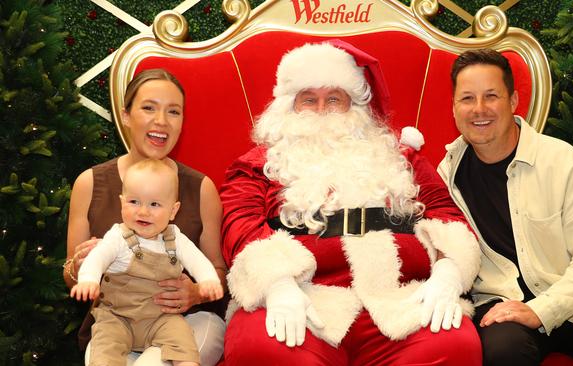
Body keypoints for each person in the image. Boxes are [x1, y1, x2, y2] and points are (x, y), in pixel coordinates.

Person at [220, 40, 482, 365]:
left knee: (455, 344)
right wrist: (276, 284)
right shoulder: (257, 165)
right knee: (262, 347)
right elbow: (239, 229)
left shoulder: (401, 157)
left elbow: (447, 216)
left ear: (354, 106)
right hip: (302, 300)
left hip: (399, 301)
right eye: (308, 100)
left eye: (333, 99)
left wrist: (448, 273)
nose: (321, 110)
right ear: (288, 107)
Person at [437, 48, 573, 365]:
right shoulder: (446, 178)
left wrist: (542, 309)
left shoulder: (561, 160)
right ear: (454, 108)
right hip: (503, 305)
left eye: (491, 96)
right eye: (467, 98)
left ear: (512, 101)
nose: (478, 109)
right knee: (503, 352)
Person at [63, 68, 227, 366]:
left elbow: (219, 271)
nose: (161, 121)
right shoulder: (89, 183)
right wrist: (78, 267)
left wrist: (196, 293)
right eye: (149, 107)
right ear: (125, 115)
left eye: (173, 111)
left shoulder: (202, 189)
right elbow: (69, 274)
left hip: (185, 324)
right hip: (114, 327)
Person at [71, 159, 223, 366]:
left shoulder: (175, 238)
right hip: (118, 317)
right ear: (122, 202)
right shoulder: (118, 236)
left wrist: (207, 281)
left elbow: (198, 260)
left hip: (161, 318)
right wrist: (89, 278)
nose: (143, 211)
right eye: (134, 202)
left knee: (182, 341)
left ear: (173, 210)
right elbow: (98, 258)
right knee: (105, 348)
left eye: (154, 204)